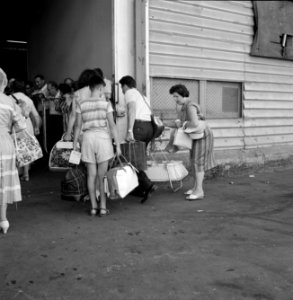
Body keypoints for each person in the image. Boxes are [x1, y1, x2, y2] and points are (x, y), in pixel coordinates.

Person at [73, 74, 121, 216]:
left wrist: (75, 144)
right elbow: (112, 126)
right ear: (100, 88)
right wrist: (117, 145)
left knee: (91, 175)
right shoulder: (106, 104)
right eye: (102, 90)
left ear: (89, 88)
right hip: (102, 139)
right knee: (102, 176)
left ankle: (93, 207)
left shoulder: (81, 104)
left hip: (87, 139)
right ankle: (103, 207)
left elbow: (77, 126)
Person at [168, 84, 216, 200]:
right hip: (195, 136)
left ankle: (199, 191)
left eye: (176, 96)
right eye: (173, 97)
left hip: (202, 136)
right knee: (194, 161)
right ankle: (195, 188)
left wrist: (183, 124)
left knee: (198, 162)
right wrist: (162, 124)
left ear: (183, 95)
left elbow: (194, 123)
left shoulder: (190, 106)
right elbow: (179, 124)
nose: (175, 99)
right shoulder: (184, 106)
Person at [119, 75, 157, 203]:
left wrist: (129, 131)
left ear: (125, 85)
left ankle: (147, 185)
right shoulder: (143, 96)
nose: (122, 90)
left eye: (121, 87)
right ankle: (139, 189)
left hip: (139, 127)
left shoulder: (129, 92)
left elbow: (132, 110)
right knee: (138, 159)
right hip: (148, 128)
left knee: (132, 159)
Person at [0, 68, 26, 234]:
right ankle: (3, 220)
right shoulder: (9, 101)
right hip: (5, 143)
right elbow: (21, 127)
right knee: (3, 183)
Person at [10, 80, 42, 181]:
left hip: (14, 125)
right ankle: (26, 173)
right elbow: (36, 116)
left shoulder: (8, 99)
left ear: (12, 88)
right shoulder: (28, 99)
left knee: (16, 148)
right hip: (27, 125)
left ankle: (17, 172)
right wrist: (37, 127)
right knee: (26, 149)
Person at [47, 81, 64, 151]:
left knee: (58, 137)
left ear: (54, 88)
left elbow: (62, 109)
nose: (48, 91)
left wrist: (55, 101)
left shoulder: (62, 95)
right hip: (51, 118)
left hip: (59, 118)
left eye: (49, 89)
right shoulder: (50, 96)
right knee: (52, 138)